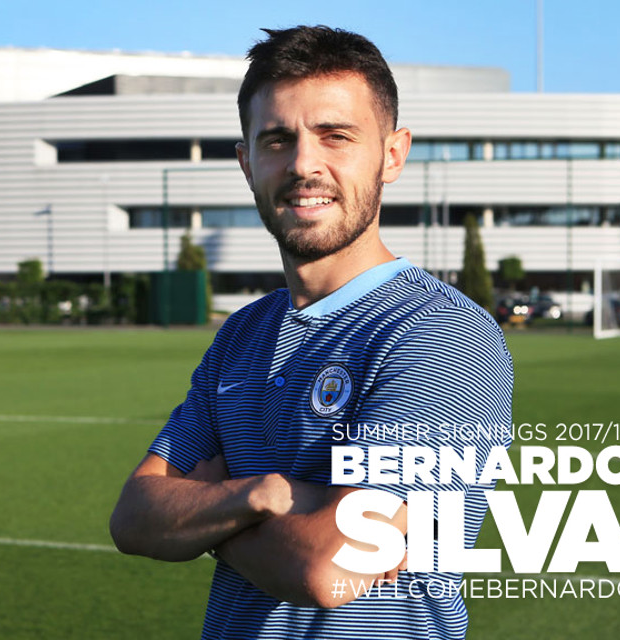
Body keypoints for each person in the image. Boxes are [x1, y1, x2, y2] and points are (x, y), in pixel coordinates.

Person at [109, 25, 513, 640]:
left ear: (393, 154)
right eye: (277, 140)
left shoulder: (442, 332)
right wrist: (261, 495)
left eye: (336, 136)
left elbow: (330, 566)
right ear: (247, 163)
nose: (303, 164)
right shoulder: (241, 336)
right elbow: (135, 517)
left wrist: (210, 515)